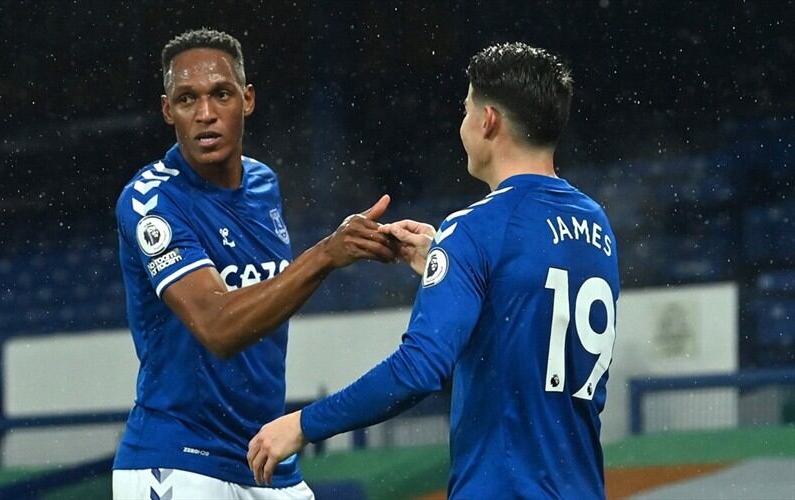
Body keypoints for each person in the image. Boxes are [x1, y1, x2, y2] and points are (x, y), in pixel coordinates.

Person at [248, 42, 620, 499]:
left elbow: (419, 368)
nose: (462, 124)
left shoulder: (474, 228)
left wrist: (303, 424)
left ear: (488, 121)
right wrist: (449, 268)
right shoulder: (596, 225)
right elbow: (531, 317)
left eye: (465, 110)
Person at [112, 28, 397, 500]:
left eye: (220, 94)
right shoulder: (151, 201)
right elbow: (219, 327)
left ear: (247, 100)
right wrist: (326, 255)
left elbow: (269, 298)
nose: (205, 113)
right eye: (187, 99)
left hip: (265, 459)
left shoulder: (264, 184)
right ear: (167, 111)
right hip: (180, 461)